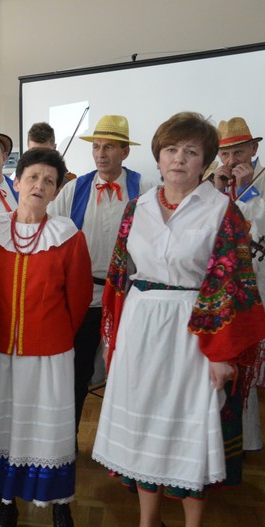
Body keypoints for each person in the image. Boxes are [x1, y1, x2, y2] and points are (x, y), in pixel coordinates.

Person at [92, 112, 265, 527]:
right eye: (171, 150)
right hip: (140, 327)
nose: (178, 159)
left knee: (191, 429)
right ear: (158, 156)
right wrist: (113, 337)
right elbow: (119, 276)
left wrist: (223, 353)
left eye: (191, 152)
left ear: (205, 162)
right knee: (143, 426)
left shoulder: (222, 211)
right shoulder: (137, 208)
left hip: (196, 332)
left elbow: (232, 283)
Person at [0, 148, 92, 527]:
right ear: (17, 181)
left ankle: (60, 509)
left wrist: (50, 335)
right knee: (5, 430)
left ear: (56, 191)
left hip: (49, 354)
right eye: (33, 177)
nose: (39, 185)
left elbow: (78, 298)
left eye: (49, 181)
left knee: (49, 434)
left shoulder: (69, 236)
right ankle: (7, 506)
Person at [48, 115, 156, 438]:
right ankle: (66, 443)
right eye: (96, 147)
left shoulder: (144, 189)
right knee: (76, 373)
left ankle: (127, 446)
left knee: (129, 374)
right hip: (86, 296)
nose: (100, 154)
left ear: (125, 151)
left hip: (128, 296)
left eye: (109, 147)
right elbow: (50, 234)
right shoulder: (74, 190)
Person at [210, 116, 265, 450]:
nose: (231, 160)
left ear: (253, 149)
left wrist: (249, 190)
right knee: (222, 357)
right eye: (225, 154)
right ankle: (216, 439)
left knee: (247, 361)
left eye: (238, 152)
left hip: (258, 280)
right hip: (219, 285)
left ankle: (246, 441)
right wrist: (215, 192)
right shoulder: (212, 181)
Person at [26, 121, 76, 187]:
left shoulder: (70, 183)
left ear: (54, 148)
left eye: (45, 152)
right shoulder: (20, 179)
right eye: (34, 152)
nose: (39, 159)